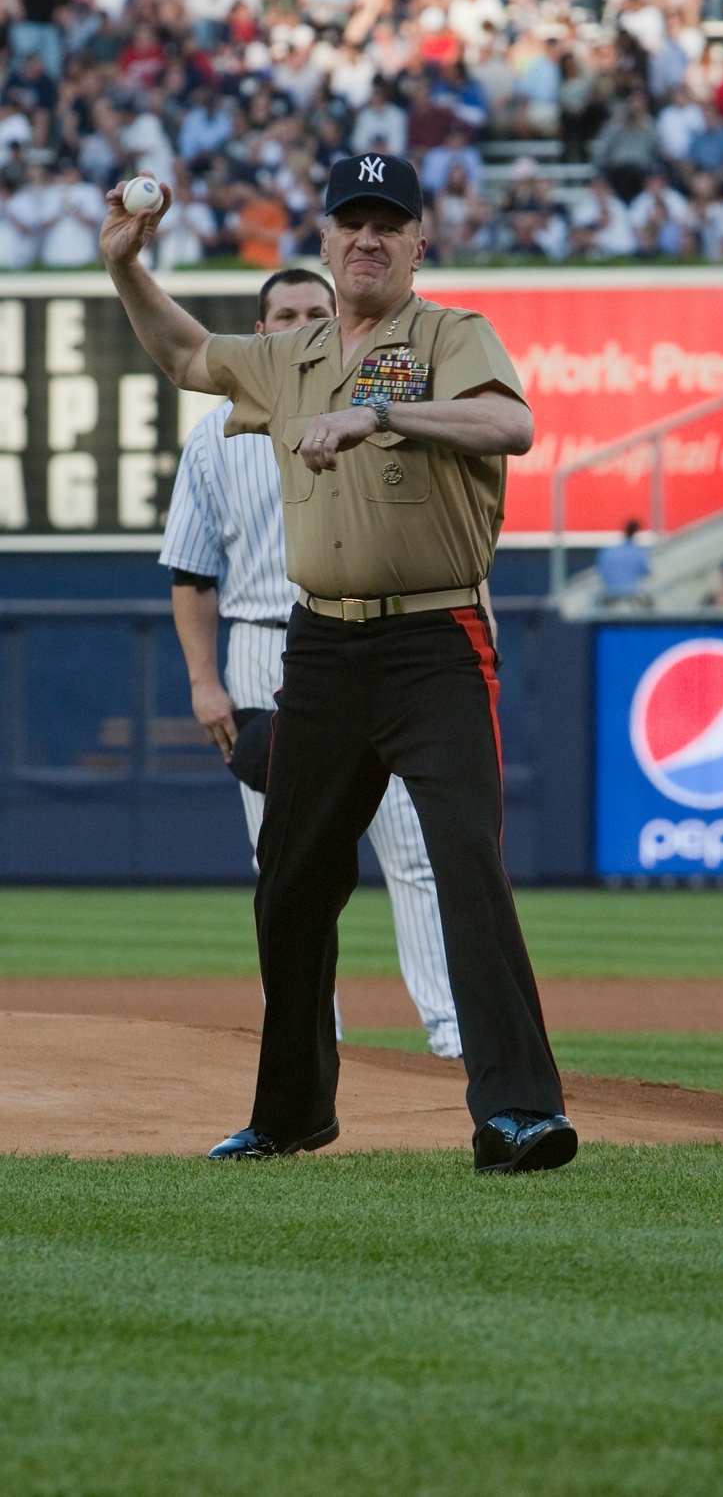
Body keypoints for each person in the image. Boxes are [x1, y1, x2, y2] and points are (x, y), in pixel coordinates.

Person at [99, 154, 576, 1176]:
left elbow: (513, 425)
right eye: (351, 222)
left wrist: (384, 411)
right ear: (323, 239)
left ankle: (516, 1112)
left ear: (417, 242)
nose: (367, 239)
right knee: (292, 881)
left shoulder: (450, 335)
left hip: (434, 639)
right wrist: (127, 272)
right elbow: (187, 354)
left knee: (464, 859)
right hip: (318, 647)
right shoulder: (291, 355)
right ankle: (290, 1114)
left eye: (386, 224)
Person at [160, 266, 463, 1062]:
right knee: (285, 863)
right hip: (261, 640)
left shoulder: (381, 410)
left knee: (415, 848)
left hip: (372, 636)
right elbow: (190, 573)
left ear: (336, 322)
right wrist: (203, 682)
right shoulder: (217, 431)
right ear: (260, 334)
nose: (298, 322)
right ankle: (305, 1038)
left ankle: (450, 1031)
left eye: (313, 311)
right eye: (283, 313)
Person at [596, 519, 652, 604]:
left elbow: (600, 571)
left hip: (610, 592)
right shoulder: (639, 552)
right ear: (637, 533)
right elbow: (645, 572)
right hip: (631, 592)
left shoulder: (608, 550)